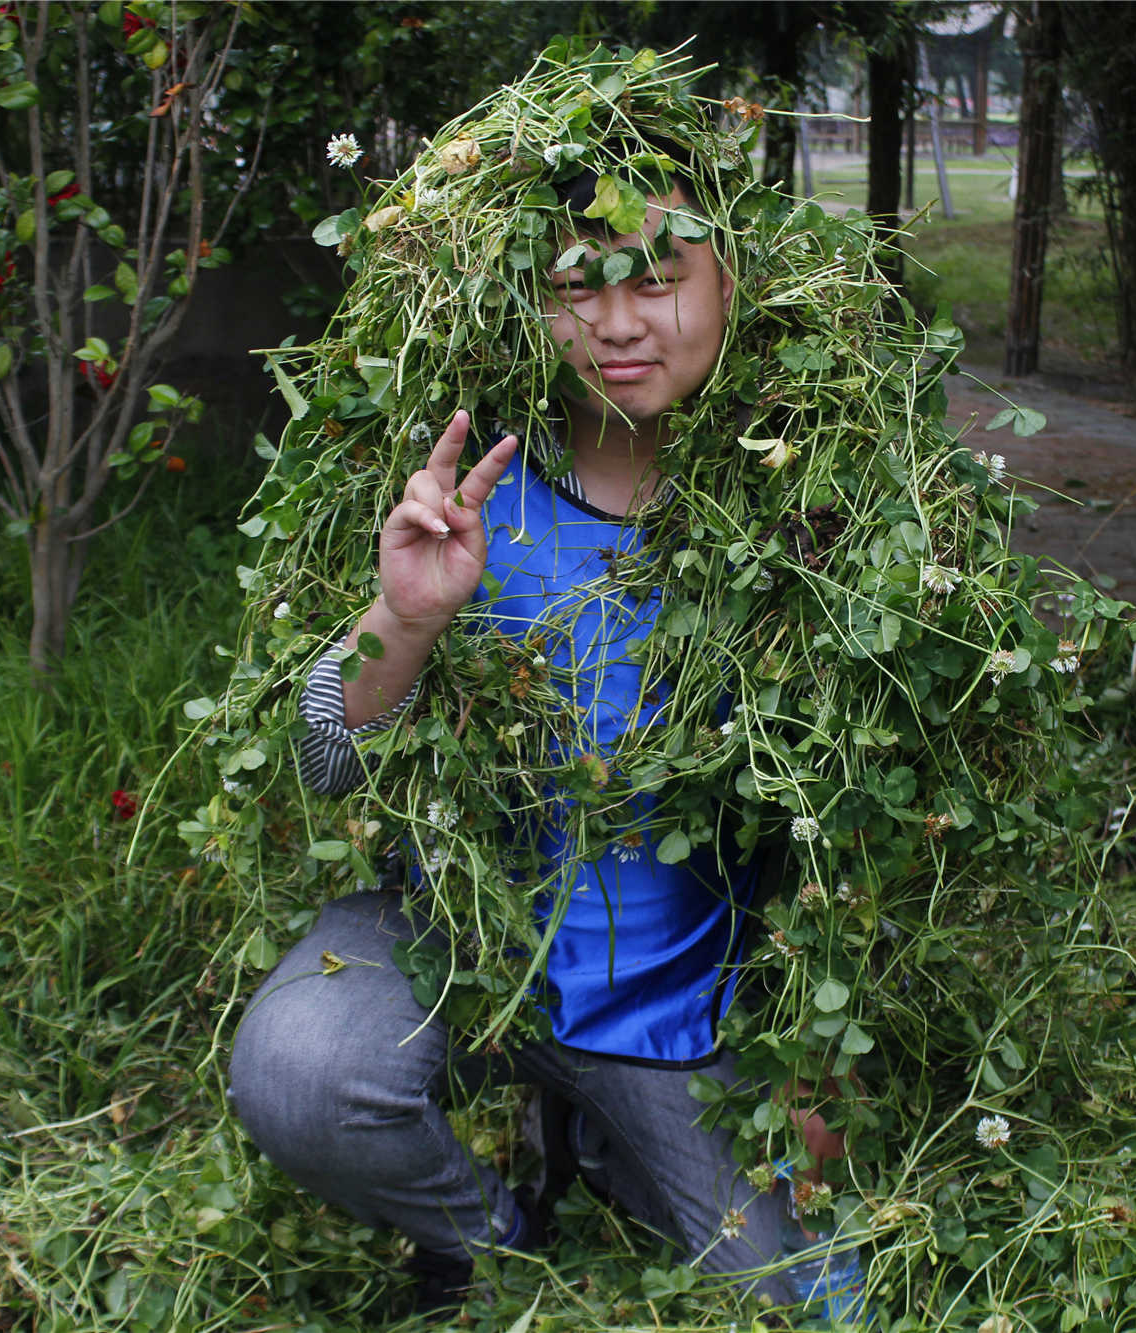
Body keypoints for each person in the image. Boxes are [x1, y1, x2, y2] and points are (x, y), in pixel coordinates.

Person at [226, 162, 865, 1318]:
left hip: (676, 996)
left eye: (660, 281)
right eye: (578, 287)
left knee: (818, 1297)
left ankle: (600, 1132)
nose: (617, 324)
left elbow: (845, 847)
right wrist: (405, 617)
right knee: (299, 1070)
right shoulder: (467, 481)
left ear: (733, 287)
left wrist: (810, 1070)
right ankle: (492, 1233)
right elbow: (328, 764)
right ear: (529, 302)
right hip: (455, 943)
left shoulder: (805, 513)